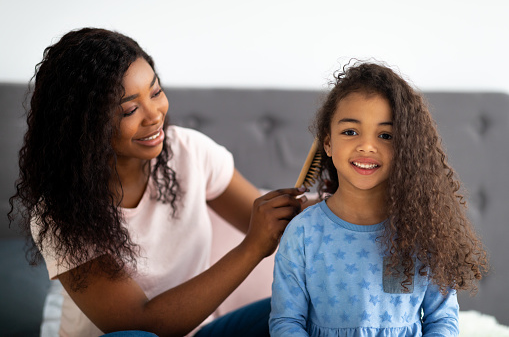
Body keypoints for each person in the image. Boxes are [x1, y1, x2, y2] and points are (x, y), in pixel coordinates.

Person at [8, 27, 308, 337]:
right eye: (130, 109)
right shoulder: (61, 212)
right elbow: (141, 323)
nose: (154, 115)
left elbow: (280, 226)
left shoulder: (189, 151)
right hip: (134, 335)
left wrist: (339, 199)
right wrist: (252, 248)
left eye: (155, 92)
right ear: (84, 125)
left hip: (199, 332)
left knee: (296, 309)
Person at [269, 62, 489, 336]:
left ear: (405, 148)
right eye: (350, 131)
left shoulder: (422, 232)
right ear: (327, 142)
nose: (366, 146)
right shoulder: (302, 234)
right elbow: (286, 323)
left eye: (386, 135)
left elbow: (442, 321)